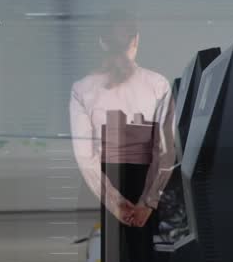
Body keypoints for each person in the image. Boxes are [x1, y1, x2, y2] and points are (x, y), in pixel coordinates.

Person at [69, 13, 174, 228]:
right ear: (136, 40)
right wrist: (148, 201)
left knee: (105, 257)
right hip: (144, 184)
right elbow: (165, 151)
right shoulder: (158, 84)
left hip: (98, 192)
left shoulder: (82, 89)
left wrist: (115, 202)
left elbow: (84, 157)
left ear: (101, 42)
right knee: (144, 259)